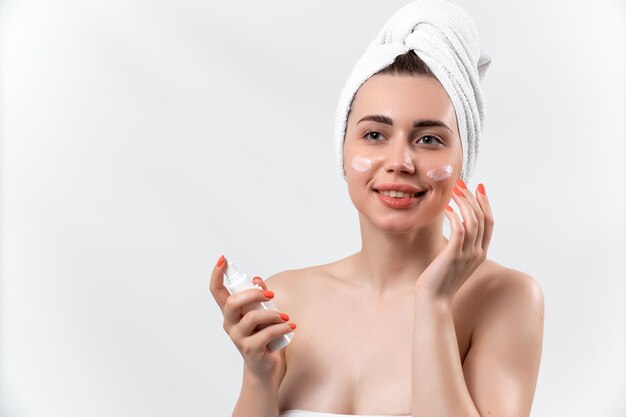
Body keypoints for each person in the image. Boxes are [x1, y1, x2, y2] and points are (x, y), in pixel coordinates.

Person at [210, 3, 544, 417]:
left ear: (464, 160)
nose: (400, 160)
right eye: (374, 134)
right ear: (343, 150)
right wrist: (260, 377)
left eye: (429, 140)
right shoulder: (285, 299)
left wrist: (434, 304)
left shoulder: (505, 299)